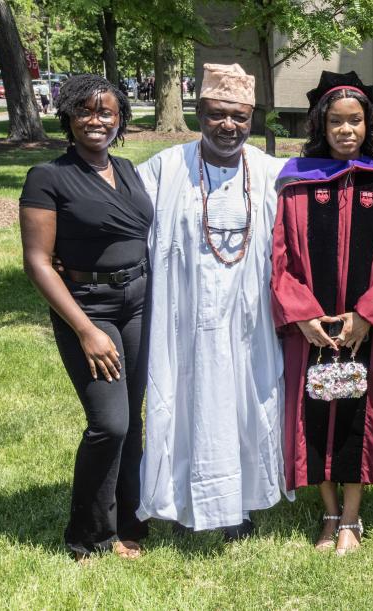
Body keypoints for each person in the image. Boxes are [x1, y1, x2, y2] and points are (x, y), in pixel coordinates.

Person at [136, 63, 289, 540]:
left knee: (248, 405)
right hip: (183, 320)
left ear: (252, 117)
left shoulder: (272, 174)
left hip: (249, 322)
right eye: (218, 115)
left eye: (240, 117)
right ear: (198, 112)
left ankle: (240, 504)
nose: (229, 126)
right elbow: (118, 221)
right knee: (184, 405)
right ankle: (183, 502)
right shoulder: (164, 169)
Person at [271, 70, 373, 555]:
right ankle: (328, 514)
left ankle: (352, 521)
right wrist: (303, 316)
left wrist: (369, 315)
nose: (346, 130)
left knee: (358, 418)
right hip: (312, 331)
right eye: (336, 121)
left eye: (355, 121)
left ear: (368, 123)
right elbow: (281, 257)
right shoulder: (295, 183)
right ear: (321, 123)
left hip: (364, 330)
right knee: (313, 416)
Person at [19, 75, 150, 561]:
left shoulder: (129, 170)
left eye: (107, 112)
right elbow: (37, 261)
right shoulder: (47, 177)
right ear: (68, 118)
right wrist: (86, 329)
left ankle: (130, 521)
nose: (96, 121)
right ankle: (88, 535)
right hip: (89, 308)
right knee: (109, 423)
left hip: (138, 300)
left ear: (121, 119)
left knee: (133, 421)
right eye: (85, 112)